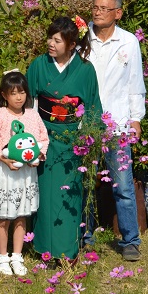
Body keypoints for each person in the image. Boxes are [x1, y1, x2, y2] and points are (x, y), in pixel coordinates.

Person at [26, 16, 102, 262]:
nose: (51, 43)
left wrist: (90, 139)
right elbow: (28, 104)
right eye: (50, 37)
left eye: (57, 40)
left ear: (71, 44)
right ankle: (43, 248)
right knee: (45, 195)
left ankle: (68, 251)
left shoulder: (85, 69)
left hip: (72, 141)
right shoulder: (39, 65)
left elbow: (92, 106)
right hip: (44, 137)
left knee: (69, 194)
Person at [87, 0, 145, 261]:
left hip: (119, 123)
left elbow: (135, 83)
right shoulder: (82, 39)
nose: (97, 12)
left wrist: (136, 118)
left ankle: (130, 240)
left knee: (122, 186)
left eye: (103, 8)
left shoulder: (129, 41)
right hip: (86, 124)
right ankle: (84, 236)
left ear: (117, 13)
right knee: (85, 183)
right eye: (95, 7)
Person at [0, 71, 49, 275]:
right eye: (13, 93)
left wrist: (38, 157)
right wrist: (4, 159)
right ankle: (2, 256)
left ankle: (17, 256)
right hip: (4, 173)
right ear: (4, 95)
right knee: (4, 216)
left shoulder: (33, 115)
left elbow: (43, 139)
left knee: (21, 215)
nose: (18, 97)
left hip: (25, 174)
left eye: (21, 92)